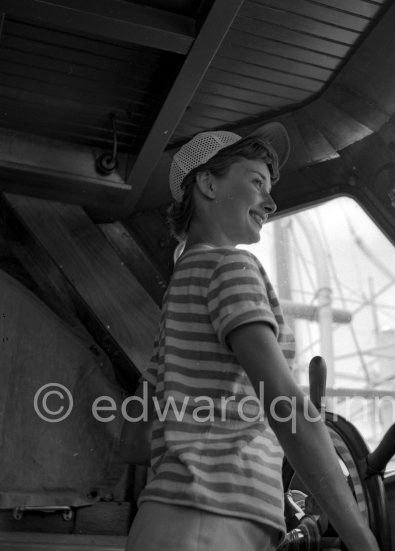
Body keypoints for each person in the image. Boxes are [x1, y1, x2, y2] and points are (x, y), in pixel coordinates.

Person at [123, 122, 380, 551]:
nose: (271, 200)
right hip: (210, 521)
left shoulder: (182, 289)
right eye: (256, 181)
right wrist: (360, 535)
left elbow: (134, 442)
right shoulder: (232, 268)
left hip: (169, 521)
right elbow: (286, 407)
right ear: (207, 183)